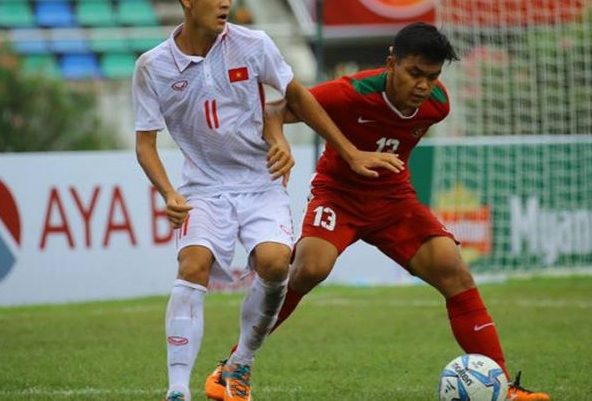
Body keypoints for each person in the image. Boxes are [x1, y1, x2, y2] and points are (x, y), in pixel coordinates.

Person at [204, 22, 550, 401]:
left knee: (455, 272)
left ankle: (501, 386)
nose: (422, 85)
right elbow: (275, 111)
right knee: (309, 269)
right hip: (338, 195)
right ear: (391, 62)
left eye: (432, 77)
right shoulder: (349, 94)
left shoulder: (437, 106)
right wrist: (281, 142)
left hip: (393, 200)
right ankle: (233, 366)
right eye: (414, 73)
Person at [132, 0, 404, 400]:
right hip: (203, 189)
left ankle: (239, 365)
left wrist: (349, 152)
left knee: (277, 264)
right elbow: (145, 144)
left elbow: (299, 97)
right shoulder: (152, 67)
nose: (226, 1)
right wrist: (167, 192)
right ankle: (177, 390)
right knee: (192, 265)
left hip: (260, 183)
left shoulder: (253, 44)